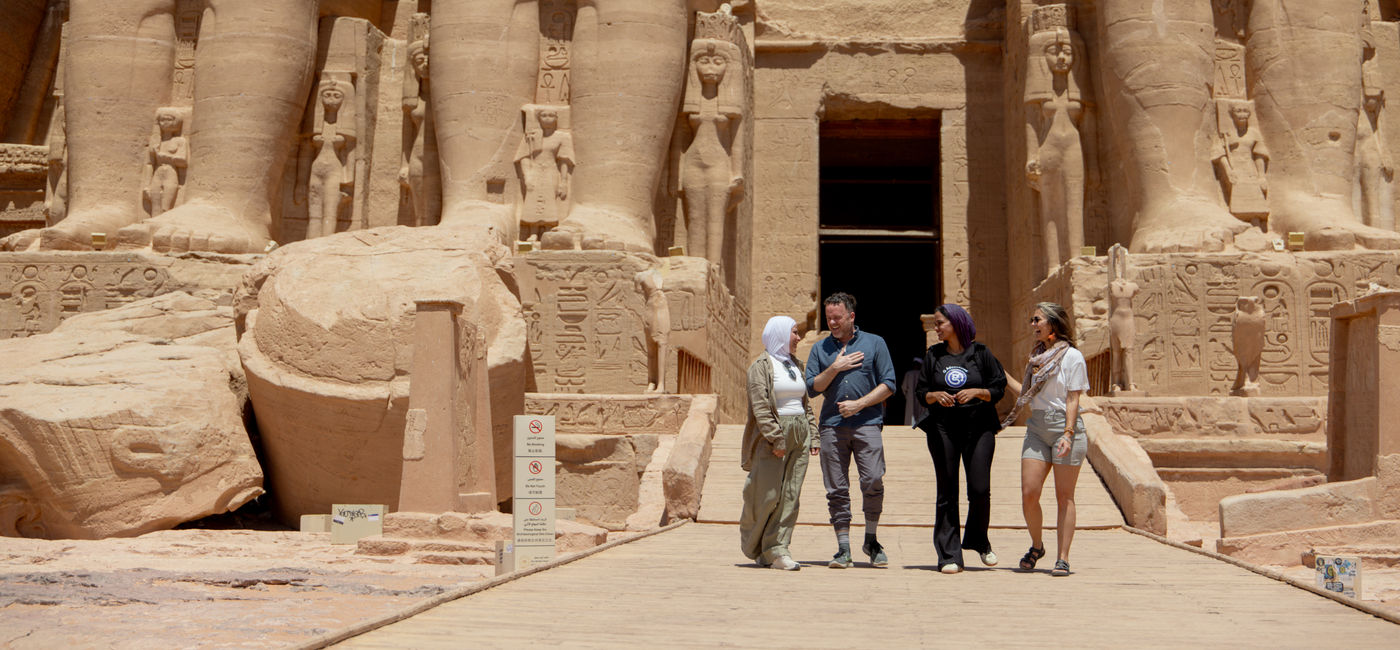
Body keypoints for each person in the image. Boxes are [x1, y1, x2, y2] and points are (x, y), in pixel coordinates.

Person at [804, 292, 896, 569]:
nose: (832, 322)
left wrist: (859, 404)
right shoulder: (820, 349)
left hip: (867, 423)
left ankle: (871, 539)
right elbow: (812, 388)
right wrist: (835, 367)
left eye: (837, 317)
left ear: (851, 316)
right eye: (828, 318)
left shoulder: (875, 343)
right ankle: (843, 547)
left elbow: (889, 383)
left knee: (873, 479)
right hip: (832, 426)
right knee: (836, 488)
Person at [914, 304, 1006, 574]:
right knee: (947, 491)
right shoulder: (934, 355)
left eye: (940, 323)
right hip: (943, 428)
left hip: (979, 428)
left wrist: (977, 392)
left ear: (955, 323)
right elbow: (921, 392)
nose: (936, 328)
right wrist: (935, 396)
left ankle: (979, 540)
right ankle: (949, 555)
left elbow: (998, 387)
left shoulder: (981, 353)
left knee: (979, 489)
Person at [1001, 302, 1088, 577]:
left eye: (1037, 320)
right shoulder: (1036, 357)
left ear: (1052, 324)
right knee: (1029, 493)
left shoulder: (1072, 357)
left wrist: (1068, 433)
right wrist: (1002, 375)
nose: (1033, 325)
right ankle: (1037, 546)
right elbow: (1027, 395)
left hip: (1065, 427)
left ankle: (1063, 558)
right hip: (1037, 427)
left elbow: (1073, 398)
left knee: (1064, 496)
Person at [739, 315, 818, 571]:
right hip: (773, 436)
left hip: (800, 433)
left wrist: (813, 434)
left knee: (791, 495)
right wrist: (776, 437)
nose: (798, 338)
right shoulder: (760, 367)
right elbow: (761, 407)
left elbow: (805, 404)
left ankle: (778, 549)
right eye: (794, 332)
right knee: (768, 494)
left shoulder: (796, 365)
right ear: (780, 335)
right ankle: (756, 544)